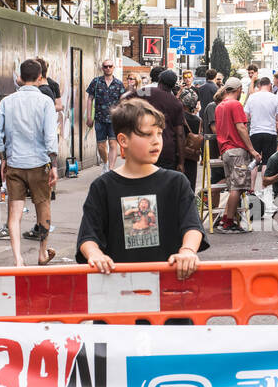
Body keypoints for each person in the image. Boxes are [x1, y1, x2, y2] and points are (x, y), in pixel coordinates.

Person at [77, 98, 207, 280]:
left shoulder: (176, 182)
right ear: (123, 140)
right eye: (147, 134)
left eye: (159, 133)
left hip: (169, 286)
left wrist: (187, 251)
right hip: (117, 287)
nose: (156, 141)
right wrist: (94, 254)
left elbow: (192, 226)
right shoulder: (103, 187)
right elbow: (88, 236)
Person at [0, 58, 58, 267]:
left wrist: (2, 158)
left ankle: (18, 258)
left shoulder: (7, 102)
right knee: (43, 206)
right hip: (39, 164)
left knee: (15, 211)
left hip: (15, 163)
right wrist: (54, 163)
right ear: (40, 78)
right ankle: (42, 252)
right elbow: (50, 136)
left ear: (19, 78)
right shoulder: (46, 102)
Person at [214, 77, 261, 233]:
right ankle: (227, 222)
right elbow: (241, 128)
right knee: (237, 187)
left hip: (225, 150)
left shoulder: (220, 106)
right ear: (239, 89)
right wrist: (252, 150)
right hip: (236, 150)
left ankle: (227, 218)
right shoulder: (235, 104)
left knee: (233, 186)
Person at [139, 69, 189, 176]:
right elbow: (180, 134)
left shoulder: (146, 93)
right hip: (167, 151)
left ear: (159, 81)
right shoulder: (176, 103)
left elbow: (126, 99)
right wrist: (181, 162)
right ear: (173, 85)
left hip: (145, 147)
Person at [86, 58, 125, 173]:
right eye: (105, 66)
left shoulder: (118, 84)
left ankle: (111, 170)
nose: (108, 68)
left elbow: (123, 102)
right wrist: (89, 116)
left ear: (113, 68)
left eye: (110, 66)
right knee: (101, 145)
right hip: (99, 118)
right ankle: (106, 163)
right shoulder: (96, 81)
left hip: (114, 119)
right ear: (102, 68)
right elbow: (90, 99)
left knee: (113, 143)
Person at [244, 76, 278, 164]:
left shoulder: (252, 97)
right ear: (270, 85)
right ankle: (265, 178)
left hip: (255, 132)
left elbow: (245, 117)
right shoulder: (275, 98)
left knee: (254, 162)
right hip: (270, 133)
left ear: (259, 85)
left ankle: (252, 178)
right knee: (267, 162)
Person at [179, 85, 202, 191]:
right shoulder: (198, 120)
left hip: (181, 153)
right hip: (193, 155)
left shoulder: (180, 116)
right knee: (190, 184)